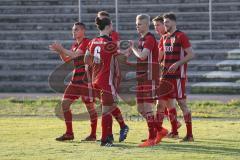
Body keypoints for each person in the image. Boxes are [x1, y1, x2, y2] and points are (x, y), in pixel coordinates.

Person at [49, 22, 98, 141]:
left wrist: (62, 49)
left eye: (76, 29)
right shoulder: (75, 45)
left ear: (83, 31)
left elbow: (77, 55)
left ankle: (93, 134)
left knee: (90, 107)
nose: (74, 32)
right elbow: (67, 59)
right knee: (65, 103)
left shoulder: (87, 42)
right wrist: (60, 51)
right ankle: (69, 133)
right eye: (73, 30)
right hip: (75, 80)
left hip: (86, 81)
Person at [84, 17, 128, 147]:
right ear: (108, 26)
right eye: (112, 25)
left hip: (95, 79)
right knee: (107, 110)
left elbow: (86, 59)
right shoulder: (110, 43)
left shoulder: (92, 42)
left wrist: (97, 64)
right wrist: (129, 50)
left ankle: (112, 134)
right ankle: (105, 139)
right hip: (106, 81)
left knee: (110, 106)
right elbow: (122, 56)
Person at [128, 14, 168, 147]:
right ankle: (160, 130)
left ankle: (152, 138)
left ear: (146, 25)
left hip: (150, 77)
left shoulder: (150, 39)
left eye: (139, 24)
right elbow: (140, 57)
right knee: (140, 108)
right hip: (142, 77)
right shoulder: (142, 39)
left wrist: (132, 48)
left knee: (147, 107)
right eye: (136, 24)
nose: (136, 26)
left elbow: (143, 56)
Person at [158, 12, 194, 142]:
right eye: (164, 22)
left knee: (182, 103)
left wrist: (178, 63)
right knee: (163, 104)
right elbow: (159, 57)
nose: (165, 24)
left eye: (167, 22)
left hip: (178, 76)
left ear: (173, 22)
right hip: (165, 76)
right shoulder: (164, 37)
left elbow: (190, 54)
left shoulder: (181, 36)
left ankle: (189, 135)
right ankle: (173, 132)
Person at [97, 11, 129, 142]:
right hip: (101, 75)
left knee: (108, 105)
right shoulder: (99, 39)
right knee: (106, 105)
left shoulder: (113, 36)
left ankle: (109, 135)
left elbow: (116, 55)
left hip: (112, 74)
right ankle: (114, 131)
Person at [152, 15, 182, 139]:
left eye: (158, 25)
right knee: (168, 103)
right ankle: (175, 129)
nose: (156, 28)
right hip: (166, 74)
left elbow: (159, 58)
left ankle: (158, 131)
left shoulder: (170, 38)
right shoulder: (164, 38)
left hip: (169, 75)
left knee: (160, 103)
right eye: (154, 26)